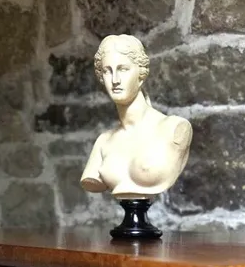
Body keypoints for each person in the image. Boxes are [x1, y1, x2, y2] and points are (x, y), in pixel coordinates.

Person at [80, 34, 192, 199]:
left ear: (141, 73)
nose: (115, 80)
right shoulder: (103, 142)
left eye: (123, 69)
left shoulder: (173, 128)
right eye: (107, 71)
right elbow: (91, 180)